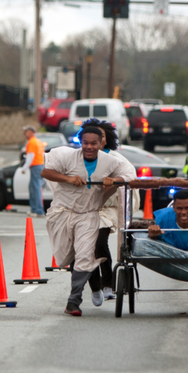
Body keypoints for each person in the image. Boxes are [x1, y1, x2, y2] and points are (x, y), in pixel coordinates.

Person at [41, 126, 137, 317]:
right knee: (67, 257)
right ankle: (82, 283)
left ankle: (74, 301)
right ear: (80, 142)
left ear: (101, 142)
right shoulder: (66, 156)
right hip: (63, 212)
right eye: (86, 143)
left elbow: (129, 177)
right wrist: (68, 179)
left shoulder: (110, 162)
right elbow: (46, 172)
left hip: (88, 214)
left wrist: (113, 180)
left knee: (85, 255)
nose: (89, 147)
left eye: (94, 143)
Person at [80, 119, 138, 307]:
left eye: (100, 136)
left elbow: (130, 176)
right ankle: (95, 287)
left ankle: (108, 283)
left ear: (104, 139)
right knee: (84, 250)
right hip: (83, 209)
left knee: (98, 241)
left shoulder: (116, 159)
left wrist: (114, 180)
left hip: (107, 208)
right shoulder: (78, 158)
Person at [20, 126, 46, 217]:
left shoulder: (31, 142)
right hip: (40, 165)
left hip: (35, 166)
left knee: (35, 188)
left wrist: (24, 168)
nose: (24, 134)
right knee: (34, 187)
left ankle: (38, 210)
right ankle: (35, 209)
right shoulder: (38, 141)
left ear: (31, 132)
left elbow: (30, 157)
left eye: (25, 132)